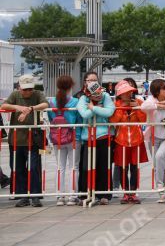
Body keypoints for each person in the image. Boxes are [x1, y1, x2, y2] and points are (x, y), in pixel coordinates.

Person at [1, 75, 49, 207]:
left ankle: (35, 195)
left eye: (29, 89)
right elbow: (3, 105)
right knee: (17, 168)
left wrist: (31, 108)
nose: (27, 92)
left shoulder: (38, 94)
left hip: (33, 140)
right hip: (16, 140)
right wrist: (18, 108)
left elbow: (45, 104)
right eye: (25, 89)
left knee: (34, 167)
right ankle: (22, 196)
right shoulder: (15, 95)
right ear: (19, 88)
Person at [76, 76, 115, 204]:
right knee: (86, 167)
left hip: (104, 136)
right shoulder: (83, 98)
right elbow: (84, 114)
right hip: (88, 137)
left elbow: (109, 112)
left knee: (104, 166)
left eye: (99, 94)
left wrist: (93, 107)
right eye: (89, 80)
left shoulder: (106, 96)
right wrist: (97, 108)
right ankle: (85, 194)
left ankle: (104, 195)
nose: (98, 96)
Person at [110, 80, 148, 204]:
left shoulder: (138, 103)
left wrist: (136, 107)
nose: (127, 94)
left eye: (129, 92)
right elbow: (114, 121)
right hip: (121, 141)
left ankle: (133, 192)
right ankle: (126, 193)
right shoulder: (116, 105)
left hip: (137, 140)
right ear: (119, 94)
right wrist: (122, 107)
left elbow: (143, 120)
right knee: (122, 168)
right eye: (124, 92)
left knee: (134, 167)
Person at [47, 74, 80, 206]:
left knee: (60, 167)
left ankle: (60, 196)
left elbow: (50, 118)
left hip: (57, 138)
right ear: (71, 86)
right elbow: (79, 119)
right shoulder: (75, 102)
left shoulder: (52, 102)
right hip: (73, 137)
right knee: (74, 167)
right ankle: (73, 196)